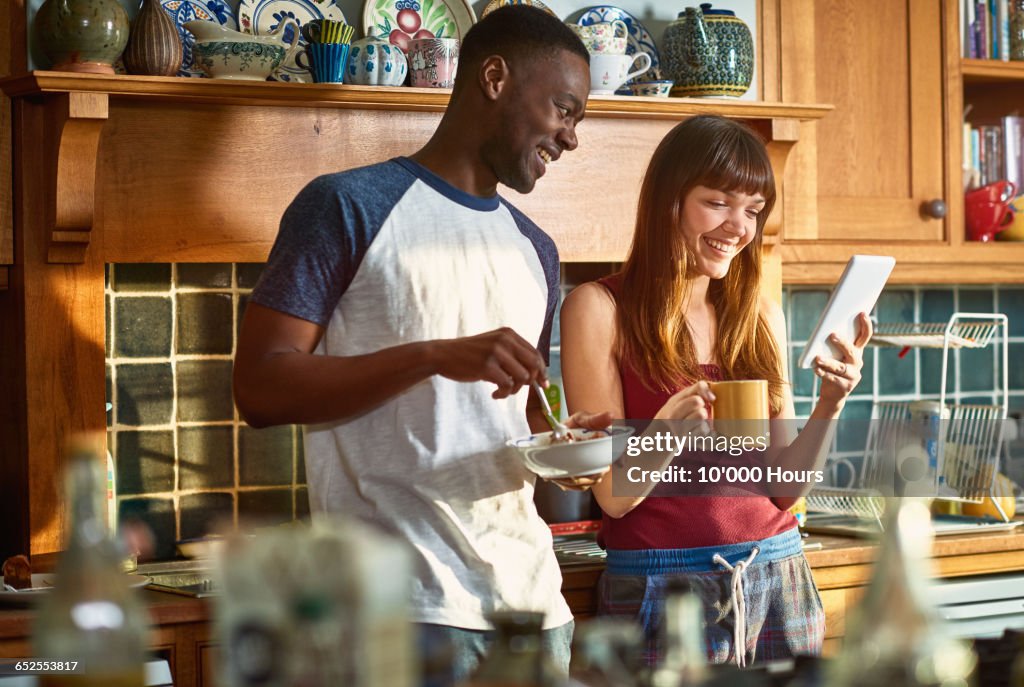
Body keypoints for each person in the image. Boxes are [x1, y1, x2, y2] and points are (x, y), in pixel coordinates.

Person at [232, 7, 597, 683]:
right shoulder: (347, 206)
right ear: (493, 77)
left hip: (534, 610)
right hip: (401, 612)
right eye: (563, 109)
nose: (571, 137)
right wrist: (433, 355)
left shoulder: (535, 250)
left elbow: (518, 415)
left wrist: (567, 442)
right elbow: (258, 385)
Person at [559, 115, 872, 668]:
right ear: (669, 202)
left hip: (777, 572)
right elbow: (611, 495)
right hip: (660, 587)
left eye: (752, 210)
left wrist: (831, 402)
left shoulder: (759, 317)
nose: (739, 227)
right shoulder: (597, 308)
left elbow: (783, 491)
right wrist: (665, 432)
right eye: (719, 202)